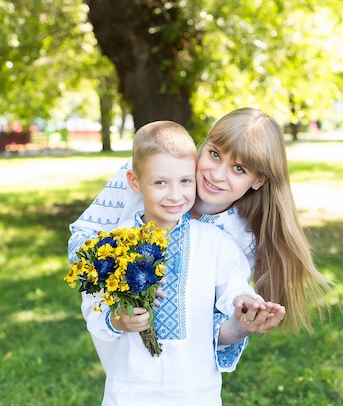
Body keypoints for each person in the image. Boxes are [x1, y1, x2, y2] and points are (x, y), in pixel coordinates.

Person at [68, 107, 332, 337]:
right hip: (115, 333)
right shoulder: (149, 172)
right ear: (203, 144)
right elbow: (82, 236)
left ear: (258, 180)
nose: (217, 175)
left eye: (239, 169)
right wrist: (121, 285)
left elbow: (214, 325)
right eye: (215, 154)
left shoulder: (238, 236)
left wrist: (241, 322)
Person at [77, 120, 283, 406]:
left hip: (195, 390)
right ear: (135, 183)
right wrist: (117, 319)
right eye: (160, 182)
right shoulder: (117, 243)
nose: (175, 195)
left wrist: (246, 303)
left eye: (185, 182)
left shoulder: (216, 241)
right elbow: (94, 305)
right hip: (129, 391)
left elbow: (234, 286)